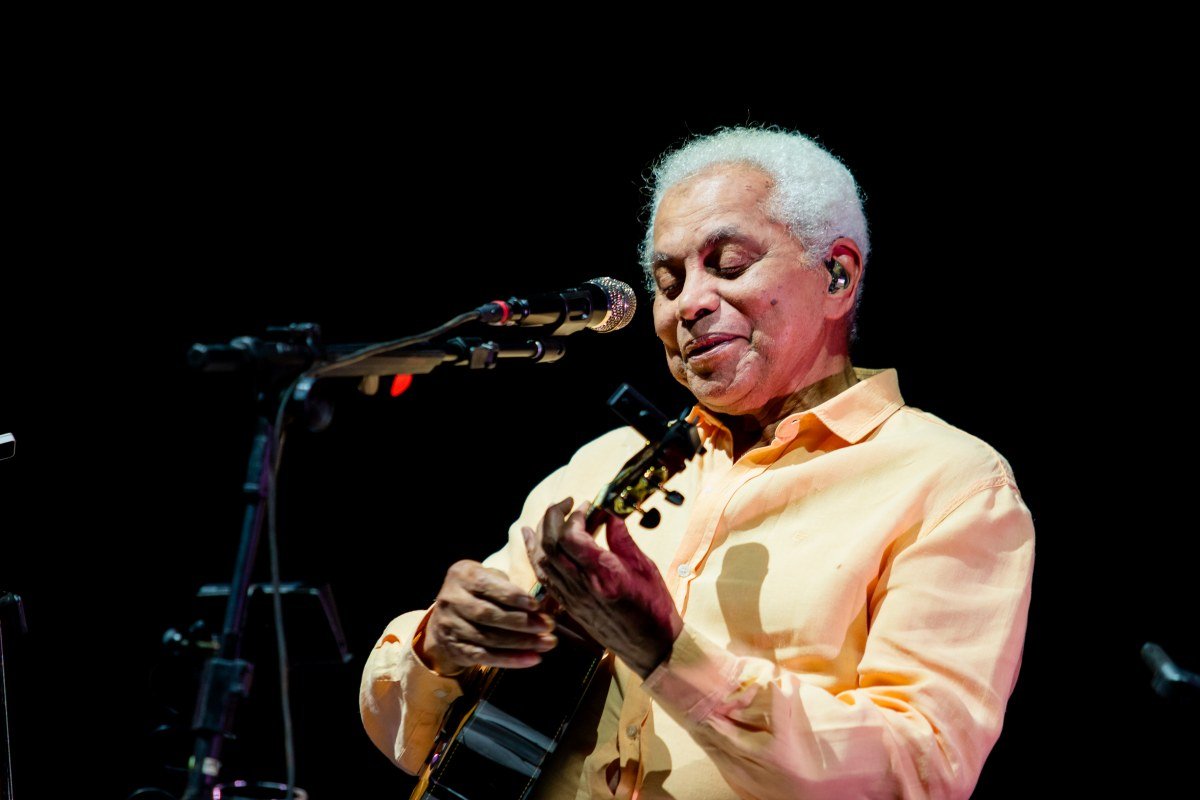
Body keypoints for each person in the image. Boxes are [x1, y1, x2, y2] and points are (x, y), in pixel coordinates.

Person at [359, 126, 1035, 799]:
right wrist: (437, 646)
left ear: (838, 276)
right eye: (668, 279)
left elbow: (919, 774)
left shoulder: (949, 482)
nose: (689, 304)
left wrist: (672, 656)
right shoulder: (603, 466)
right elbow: (409, 739)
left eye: (729, 265)